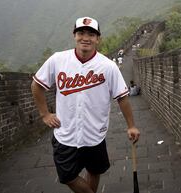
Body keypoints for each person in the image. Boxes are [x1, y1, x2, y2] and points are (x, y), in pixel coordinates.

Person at [31, 16, 140, 193]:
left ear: (98, 39)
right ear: (74, 35)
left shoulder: (107, 66)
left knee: (94, 170)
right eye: (81, 33)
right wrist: (45, 114)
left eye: (91, 34)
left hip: (94, 134)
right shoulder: (58, 60)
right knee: (67, 176)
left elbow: (122, 97)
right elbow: (36, 85)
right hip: (65, 134)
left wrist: (131, 126)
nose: (86, 38)